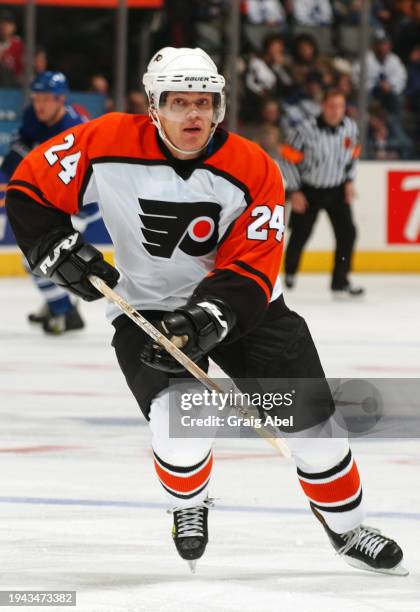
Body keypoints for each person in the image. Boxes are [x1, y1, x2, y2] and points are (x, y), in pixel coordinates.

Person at [6, 47, 406, 575]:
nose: (194, 115)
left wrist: (209, 317)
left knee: (316, 427)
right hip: (147, 309)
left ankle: (348, 527)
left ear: (219, 105)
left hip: (245, 309)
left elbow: (254, 263)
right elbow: (29, 187)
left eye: (205, 102)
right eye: (179, 102)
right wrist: (54, 246)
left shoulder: (252, 165)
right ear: (153, 106)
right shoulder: (104, 139)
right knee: (179, 423)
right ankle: (187, 505)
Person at [1, 70, 98, 334]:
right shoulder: (34, 114)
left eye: (47, 99)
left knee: (41, 259)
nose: (40, 105)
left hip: (83, 201)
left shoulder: (75, 128)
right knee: (41, 258)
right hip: (56, 198)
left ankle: (63, 311)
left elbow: (81, 179)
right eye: (36, 98)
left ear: (61, 99)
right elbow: (21, 147)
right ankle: (60, 305)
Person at [279, 89, 364, 296]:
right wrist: (295, 190)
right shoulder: (304, 130)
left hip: (337, 190)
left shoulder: (350, 128)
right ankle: (290, 271)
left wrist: (350, 181)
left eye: (340, 106)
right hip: (309, 191)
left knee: (347, 233)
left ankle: (340, 282)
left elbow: (353, 155)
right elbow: (287, 160)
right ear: (323, 106)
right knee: (300, 235)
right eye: (332, 106)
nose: (336, 111)